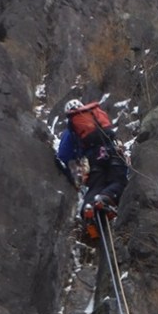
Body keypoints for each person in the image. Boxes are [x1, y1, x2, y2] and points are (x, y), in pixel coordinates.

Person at [56, 98, 128, 240]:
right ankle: (105, 199)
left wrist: (75, 160)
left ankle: (88, 207)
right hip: (112, 151)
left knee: (96, 186)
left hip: (93, 159)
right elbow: (110, 131)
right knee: (119, 182)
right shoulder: (96, 115)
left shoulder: (72, 128)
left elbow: (63, 154)